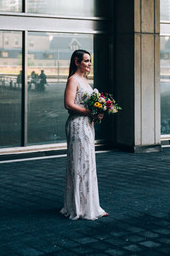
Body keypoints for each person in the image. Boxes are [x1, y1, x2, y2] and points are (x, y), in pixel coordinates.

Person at [60, 49, 108, 220]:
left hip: (88, 125)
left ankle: (90, 205)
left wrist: (98, 112)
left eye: (90, 61)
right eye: (86, 61)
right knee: (79, 163)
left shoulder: (85, 81)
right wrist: (89, 112)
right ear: (76, 62)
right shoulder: (73, 80)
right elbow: (68, 104)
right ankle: (77, 207)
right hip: (77, 125)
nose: (89, 64)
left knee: (88, 163)